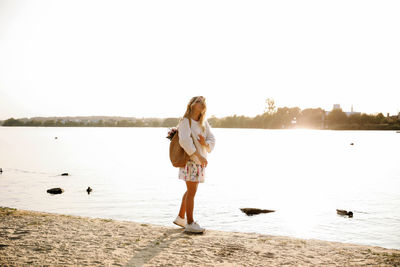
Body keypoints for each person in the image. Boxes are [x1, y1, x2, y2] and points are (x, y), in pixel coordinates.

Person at [173, 96, 216, 233]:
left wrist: (205, 144)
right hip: (190, 161)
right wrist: (198, 155)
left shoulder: (204, 123)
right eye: (198, 101)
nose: (201, 103)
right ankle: (190, 223)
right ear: (191, 105)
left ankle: (181, 217)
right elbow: (184, 141)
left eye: (203, 102)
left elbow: (212, 138)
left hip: (200, 162)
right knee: (192, 191)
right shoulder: (185, 121)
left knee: (191, 190)